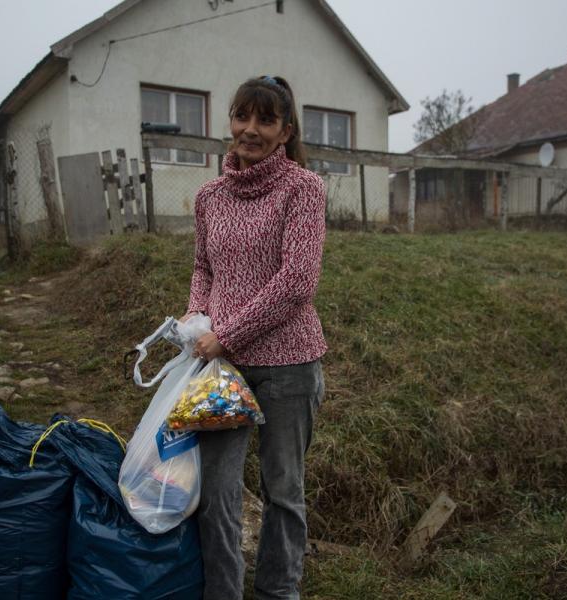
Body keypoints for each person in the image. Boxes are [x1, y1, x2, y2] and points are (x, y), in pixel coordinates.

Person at [180, 75, 327, 600]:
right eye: (243, 116)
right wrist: (198, 315)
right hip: (220, 370)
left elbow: (297, 283)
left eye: (266, 120)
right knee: (215, 492)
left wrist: (228, 334)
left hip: (289, 364)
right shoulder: (209, 197)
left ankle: (276, 593)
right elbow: (203, 267)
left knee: (283, 491)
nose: (251, 130)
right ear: (231, 121)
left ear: (286, 130)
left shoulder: (304, 189)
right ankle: (222, 592)